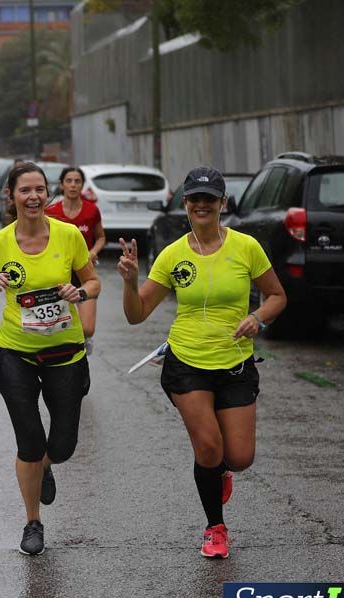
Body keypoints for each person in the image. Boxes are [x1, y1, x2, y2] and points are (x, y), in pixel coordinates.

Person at [117, 166, 287, 559]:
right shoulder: (172, 254)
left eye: (210, 198)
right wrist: (129, 283)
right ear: (185, 204)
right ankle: (215, 528)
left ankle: (220, 470)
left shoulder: (246, 247)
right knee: (208, 447)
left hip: (235, 363)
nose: (202, 205)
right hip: (186, 362)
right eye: (195, 198)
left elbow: (277, 296)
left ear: (222, 203)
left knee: (239, 457)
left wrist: (258, 318)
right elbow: (136, 314)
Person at [0, 162, 101, 556]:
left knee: (61, 447)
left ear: (48, 193)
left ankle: (47, 464)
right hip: (16, 352)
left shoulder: (67, 235)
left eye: (40, 189)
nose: (33, 197)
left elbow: (93, 281)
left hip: (65, 353)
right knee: (29, 442)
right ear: (11, 196)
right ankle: (33, 522)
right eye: (25, 190)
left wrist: (80, 292)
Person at [46, 167, 105, 348]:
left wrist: (93, 251)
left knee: (87, 328)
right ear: (62, 184)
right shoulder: (51, 211)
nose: (73, 185)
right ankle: (67, 349)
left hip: (83, 273)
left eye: (77, 181)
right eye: (69, 181)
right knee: (56, 327)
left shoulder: (92, 210)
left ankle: (82, 340)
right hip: (58, 275)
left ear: (82, 185)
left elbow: (101, 238)